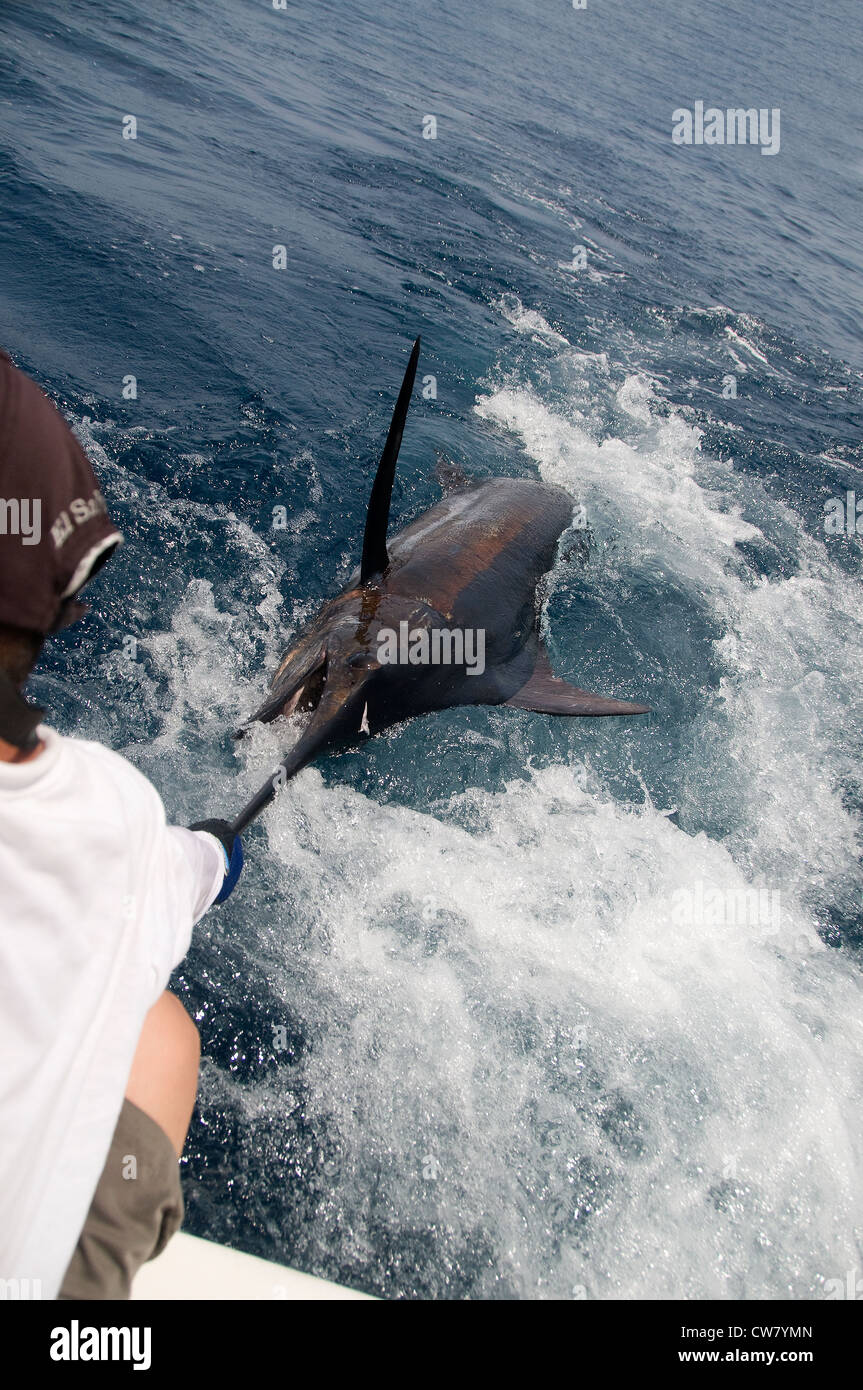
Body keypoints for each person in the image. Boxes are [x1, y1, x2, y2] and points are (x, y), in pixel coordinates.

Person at [0, 348, 243, 1300]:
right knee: (160, 1033)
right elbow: (188, 873)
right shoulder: (111, 814)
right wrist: (218, 853)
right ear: (63, 609)